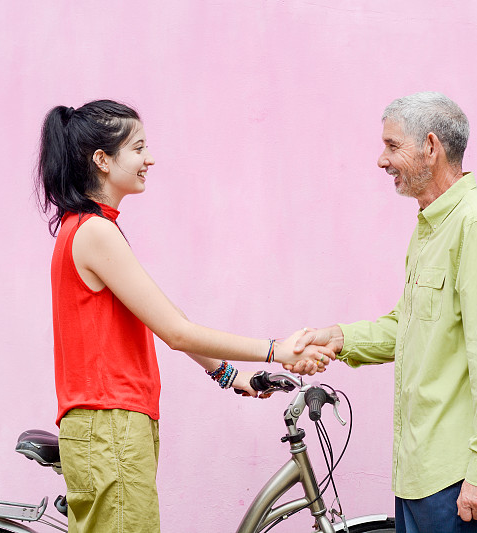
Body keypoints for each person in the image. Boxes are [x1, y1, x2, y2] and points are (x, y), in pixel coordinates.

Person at [35, 99, 331, 533]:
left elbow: (167, 316)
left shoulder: (83, 227)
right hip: (111, 424)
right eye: (138, 148)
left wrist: (231, 375)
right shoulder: (94, 231)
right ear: (102, 160)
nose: (149, 159)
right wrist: (276, 350)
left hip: (107, 425)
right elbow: (176, 332)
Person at [291, 92, 477, 533]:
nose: (382, 160)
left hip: (456, 481)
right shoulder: (430, 227)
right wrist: (338, 338)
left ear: (430, 147)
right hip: (418, 474)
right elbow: (407, 326)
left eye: (392, 145)